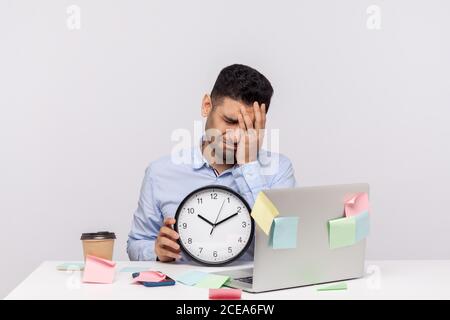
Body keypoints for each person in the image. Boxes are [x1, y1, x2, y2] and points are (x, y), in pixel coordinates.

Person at [127, 64, 296, 262]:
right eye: (229, 121)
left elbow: (283, 243)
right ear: (207, 105)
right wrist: (156, 251)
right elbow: (136, 244)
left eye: (247, 127)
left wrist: (248, 166)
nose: (235, 136)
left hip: (248, 292)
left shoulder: (279, 171)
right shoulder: (160, 172)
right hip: (182, 291)